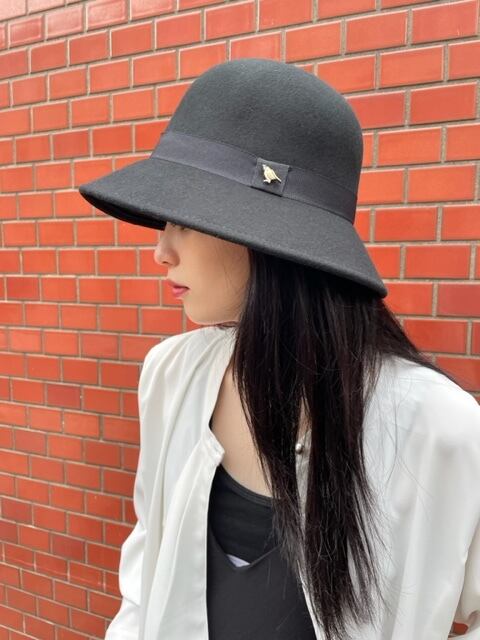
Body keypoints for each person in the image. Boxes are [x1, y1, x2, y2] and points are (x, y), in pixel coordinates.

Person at [78, 58, 480, 640]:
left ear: (262, 237)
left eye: (182, 220)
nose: (161, 251)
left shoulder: (438, 427)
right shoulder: (171, 375)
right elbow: (146, 566)